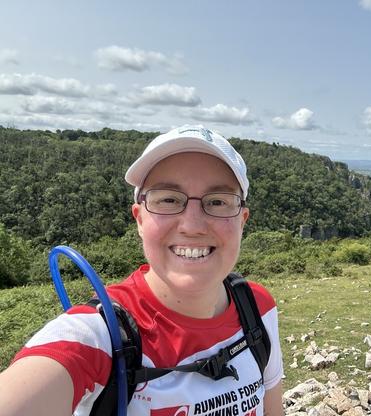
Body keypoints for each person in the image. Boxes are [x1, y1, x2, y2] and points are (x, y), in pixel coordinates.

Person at [0, 125, 284, 416]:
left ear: (242, 220)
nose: (192, 225)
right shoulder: (100, 336)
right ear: (139, 219)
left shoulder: (256, 307)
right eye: (169, 200)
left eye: (218, 202)